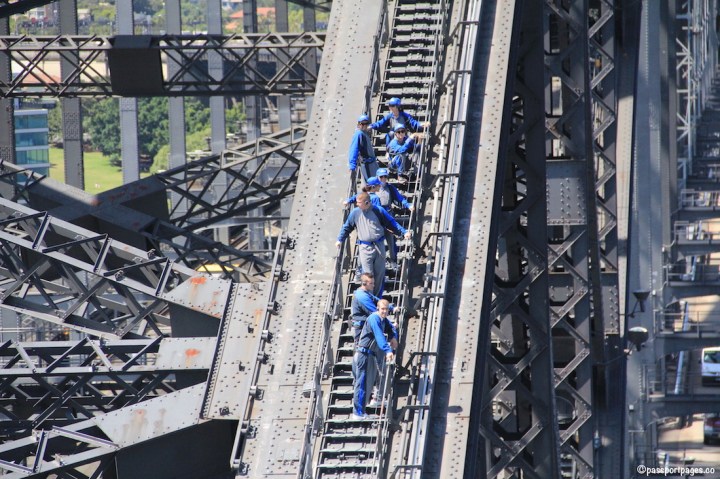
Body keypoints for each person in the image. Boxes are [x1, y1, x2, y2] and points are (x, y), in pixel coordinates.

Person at [336, 192, 411, 296]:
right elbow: (347, 227)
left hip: (379, 246)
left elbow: (392, 223)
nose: (357, 204)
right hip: (365, 247)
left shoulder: (378, 211)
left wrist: (404, 232)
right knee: (367, 275)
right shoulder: (355, 213)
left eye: (359, 202)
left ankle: (376, 298)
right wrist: (339, 239)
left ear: (367, 202)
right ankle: (370, 299)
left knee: (379, 274)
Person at [351, 299, 398, 420]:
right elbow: (379, 336)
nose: (384, 311)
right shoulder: (374, 318)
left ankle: (375, 400)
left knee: (372, 379)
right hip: (363, 354)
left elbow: (391, 328)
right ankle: (358, 412)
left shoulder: (383, 320)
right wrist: (388, 350)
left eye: (387, 309)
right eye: (382, 309)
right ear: (378, 308)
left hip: (371, 355)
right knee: (362, 383)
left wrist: (393, 337)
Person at [376, 168, 414, 269]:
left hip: (388, 215)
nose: (383, 179)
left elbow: (400, 198)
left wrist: (408, 205)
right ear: (377, 177)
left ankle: (393, 261)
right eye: (381, 177)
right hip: (376, 218)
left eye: (385, 177)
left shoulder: (390, 188)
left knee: (390, 239)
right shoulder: (373, 188)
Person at [348, 114, 378, 182]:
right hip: (367, 164)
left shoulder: (364, 132)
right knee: (371, 184)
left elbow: (373, 125)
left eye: (366, 123)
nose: (364, 125)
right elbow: (353, 149)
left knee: (376, 182)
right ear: (359, 124)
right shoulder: (358, 134)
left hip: (372, 163)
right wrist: (352, 165)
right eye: (362, 123)